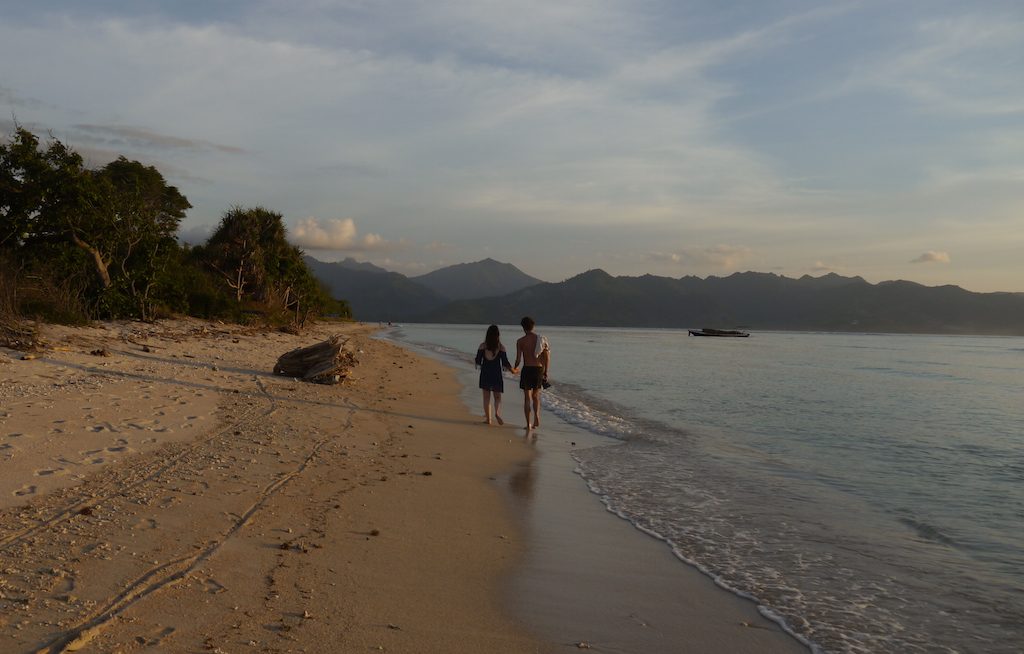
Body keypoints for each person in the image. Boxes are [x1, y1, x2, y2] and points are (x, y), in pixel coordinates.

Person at [475, 325, 517, 425]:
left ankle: (488, 419)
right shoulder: (501, 348)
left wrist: (479, 364)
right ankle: (497, 413)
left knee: (486, 397)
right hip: (496, 374)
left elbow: (477, 361)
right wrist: (513, 371)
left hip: (485, 373)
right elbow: (505, 363)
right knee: (497, 397)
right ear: (498, 335)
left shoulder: (482, 346)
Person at [514, 316, 550, 431]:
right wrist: (546, 372)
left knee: (527, 398)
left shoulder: (520, 341)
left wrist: (514, 368)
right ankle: (537, 418)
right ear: (533, 326)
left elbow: (518, 359)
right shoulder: (541, 340)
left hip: (527, 369)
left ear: (523, 328)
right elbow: (546, 357)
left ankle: (528, 424)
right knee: (536, 396)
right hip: (538, 370)